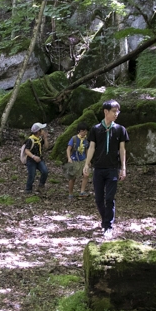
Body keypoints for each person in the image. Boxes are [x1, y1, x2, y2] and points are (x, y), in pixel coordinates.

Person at [83, 100, 129, 238]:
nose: (117, 114)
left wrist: (123, 168)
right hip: (98, 168)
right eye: (114, 111)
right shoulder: (96, 129)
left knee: (109, 198)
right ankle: (105, 220)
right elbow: (91, 147)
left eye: (118, 111)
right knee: (98, 199)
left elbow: (122, 150)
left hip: (112, 169)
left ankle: (108, 226)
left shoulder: (120, 129)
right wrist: (86, 164)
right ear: (105, 112)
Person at [65, 122, 90, 199]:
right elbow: (69, 149)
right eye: (83, 131)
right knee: (72, 178)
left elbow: (87, 150)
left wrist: (88, 160)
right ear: (79, 131)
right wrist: (69, 158)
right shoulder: (74, 138)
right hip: (74, 160)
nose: (84, 133)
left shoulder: (86, 140)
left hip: (83, 160)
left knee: (86, 175)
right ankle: (70, 193)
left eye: (86, 131)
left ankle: (82, 191)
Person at [24, 122, 49, 194]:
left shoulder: (40, 139)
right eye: (42, 129)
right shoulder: (30, 140)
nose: (43, 131)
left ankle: (41, 186)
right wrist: (33, 156)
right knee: (32, 175)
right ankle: (28, 190)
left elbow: (46, 147)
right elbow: (26, 150)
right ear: (38, 131)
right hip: (31, 160)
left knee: (45, 171)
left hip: (40, 159)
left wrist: (45, 138)